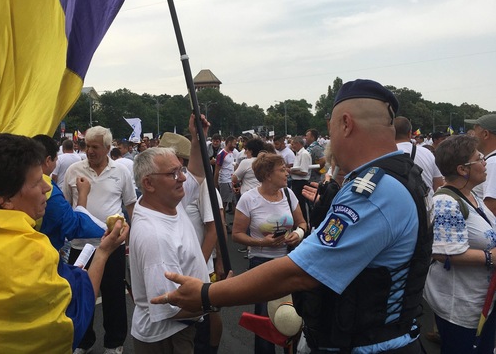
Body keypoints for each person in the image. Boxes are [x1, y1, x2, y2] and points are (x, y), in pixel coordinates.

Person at [152, 79, 431, 354]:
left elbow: (302, 272)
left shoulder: (374, 191)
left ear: (346, 124)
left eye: (331, 129)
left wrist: (205, 294)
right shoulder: (394, 178)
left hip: (368, 345)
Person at [0, 133, 128, 352]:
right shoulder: (35, 252)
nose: (47, 188)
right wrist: (103, 252)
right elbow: (74, 321)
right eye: (37, 182)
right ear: (5, 199)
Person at [129, 114, 213, 352]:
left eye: (180, 169)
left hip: (181, 328)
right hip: (165, 338)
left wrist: (198, 138)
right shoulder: (153, 235)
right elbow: (168, 307)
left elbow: (196, 174)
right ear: (148, 184)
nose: (182, 177)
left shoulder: (167, 200)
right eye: (173, 173)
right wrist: (214, 299)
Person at [63, 126, 137, 354]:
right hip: (80, 245)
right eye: (87, 146)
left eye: (95, 147)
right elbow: (67, 204)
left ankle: (114, 343)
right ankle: (83, 341)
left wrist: (134, 237)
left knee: (114, 294)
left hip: (113, 245)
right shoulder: (74, 170)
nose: (89, 151)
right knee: (80, 295)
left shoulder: (121, 171)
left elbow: (130, 205)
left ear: (107, 148)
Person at [423, 135, 496, 354]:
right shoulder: (446, 202)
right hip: (462, 307)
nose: (485, 162)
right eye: (479, 158)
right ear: (463, 169)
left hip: (480, 301)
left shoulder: (470, 195)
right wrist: (491, 257)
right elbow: (444, 253)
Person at [231, 152, 306, 354]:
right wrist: (261, 242)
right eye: (281, 170)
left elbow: (302, 223)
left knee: (292, 315)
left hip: (289, 261)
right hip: (262, 264)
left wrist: (297, 234)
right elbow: (236, 234)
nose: (286, 172)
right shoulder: (248, 199)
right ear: (267, 175)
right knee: (266, 319)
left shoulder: (289, 194)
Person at [32, 134, 106, 251]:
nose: (90, 151)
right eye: (56, 160)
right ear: (48, 161)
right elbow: (73, 225)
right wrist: (110, 230)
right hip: (44, 253)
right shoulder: (50, 193)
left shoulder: (16, 182)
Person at [465, 114, 496, 215]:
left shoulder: (492, 163)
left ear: (486, 134)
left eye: (475, 132)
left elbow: (492, 207)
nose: (472, 136)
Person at [288, 136, 312, 223]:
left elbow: (304, 172)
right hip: (296, 182)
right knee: (298, 205)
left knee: (301, 205)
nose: (292, 146)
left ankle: (304, 224)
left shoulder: (304, 154)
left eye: (293, 144)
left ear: (298, 144)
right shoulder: (298, 153)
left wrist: (290, 171)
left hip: (301, 183)